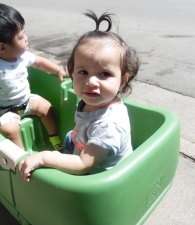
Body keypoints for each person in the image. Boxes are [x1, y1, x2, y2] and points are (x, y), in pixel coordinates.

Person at [19, 10, 140, 179]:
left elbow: (83, 165)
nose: (91, 82)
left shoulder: (109, 125)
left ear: (122, 81)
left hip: (96, 176)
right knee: (69, 136)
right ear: (72, 73)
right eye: (83, 71)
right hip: (81, 145)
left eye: (104, 74)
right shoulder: (94, 101)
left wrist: (44, 157)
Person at [0, 2, 66, 151]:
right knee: (10, 131)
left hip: (26, 100)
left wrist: (58, 71)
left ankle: (54, 137)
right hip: (2, 109)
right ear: (2, 47)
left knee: (47, 107)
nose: (26, 38)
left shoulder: (21, 56)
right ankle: (20, 157)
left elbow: (39, 63)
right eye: (21, 37)